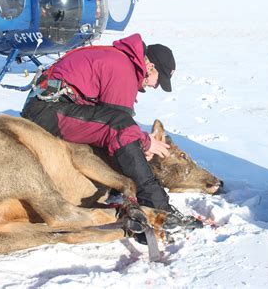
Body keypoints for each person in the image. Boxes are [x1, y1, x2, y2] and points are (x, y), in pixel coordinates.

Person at [21, 33, 185, 218]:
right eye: (159, 80)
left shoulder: (120, 59)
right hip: (46, 111)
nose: (156, 86)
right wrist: (146, 143)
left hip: (50, 104)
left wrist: (139, 141)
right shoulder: (123, 69)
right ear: (150, 67)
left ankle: (118, 189)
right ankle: (156, 204)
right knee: (121, 128)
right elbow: (121, 128)